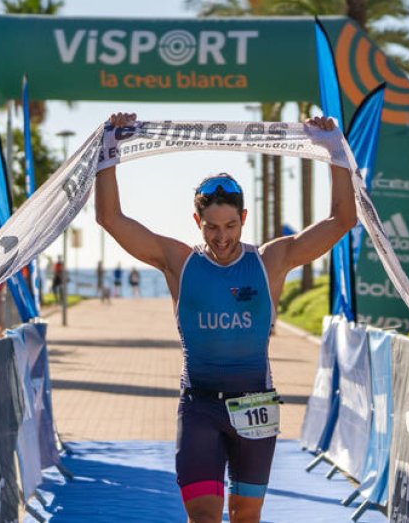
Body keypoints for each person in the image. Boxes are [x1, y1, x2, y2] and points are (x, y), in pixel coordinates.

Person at [95, 112, 354, 523]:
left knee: (246, 518)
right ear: (197, 222)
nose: (221, 237)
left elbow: (342, 221)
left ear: (244, 219)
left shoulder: (272, 260)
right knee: (202, 517)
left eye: (230, 225)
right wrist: (110, 149)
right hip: (200, 408)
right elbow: (110, 219)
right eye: (211, 227)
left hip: (255, 406)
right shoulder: (178, 261)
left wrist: (333, 151)